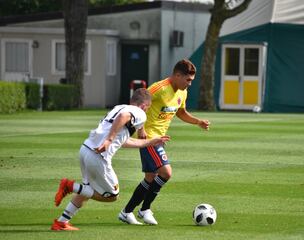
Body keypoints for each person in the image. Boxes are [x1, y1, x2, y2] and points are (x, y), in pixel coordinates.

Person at [50, 88, 170, 231]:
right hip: (98, 156)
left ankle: (62, 222)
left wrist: (150, 142)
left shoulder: (118, 108)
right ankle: (70, 186)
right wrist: (109, 139)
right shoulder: (137, 112)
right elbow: (124, 117)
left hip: (86, 149)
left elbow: (123, 141)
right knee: (111, 196)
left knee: (87, 191)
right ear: (144, 106)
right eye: (147, 109)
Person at [119, 59, 210, 225]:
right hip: (149, 138)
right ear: (177, 75)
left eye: (191, 81)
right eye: (187, 80)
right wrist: (141, 129)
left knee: (150, 177)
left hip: (159, 138)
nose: (189, 84)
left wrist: (198, 122)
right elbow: (137, 104)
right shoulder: (158, 88)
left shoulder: (182, 92)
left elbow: (181, 113)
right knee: (166, 173)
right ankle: (144, 209)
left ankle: (126, 212)